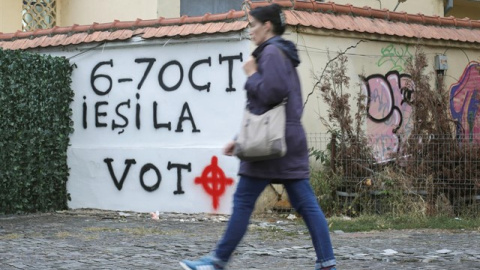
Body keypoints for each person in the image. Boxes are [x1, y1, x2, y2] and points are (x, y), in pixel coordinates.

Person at [180, 4, 336, 270]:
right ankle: (327, 263)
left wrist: (251, 74)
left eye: (253, 24)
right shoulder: (279, 52)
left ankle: (217, 261)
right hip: (285, 140)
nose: (249, 30)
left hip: (270, 145)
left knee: (243, 201)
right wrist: (238, 138)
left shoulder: (272, 52)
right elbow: (267, 108)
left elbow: (270, 95)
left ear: (267, 26)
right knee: (306, 204)